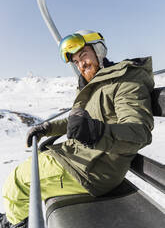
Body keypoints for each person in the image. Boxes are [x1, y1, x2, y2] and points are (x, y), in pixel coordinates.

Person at [1, 30, 154, 227]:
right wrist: (47, 128)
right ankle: (12, 219)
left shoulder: (124, 82)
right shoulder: (96, 83)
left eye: (84, 55)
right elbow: (76, 121)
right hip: (80, 158)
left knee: (17, 182)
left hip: (93, 170)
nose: (81, 64)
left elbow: (138, 132)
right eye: (76, 61)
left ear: (99, 51)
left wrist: (95, 132)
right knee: (28, 169)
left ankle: (13, 224)